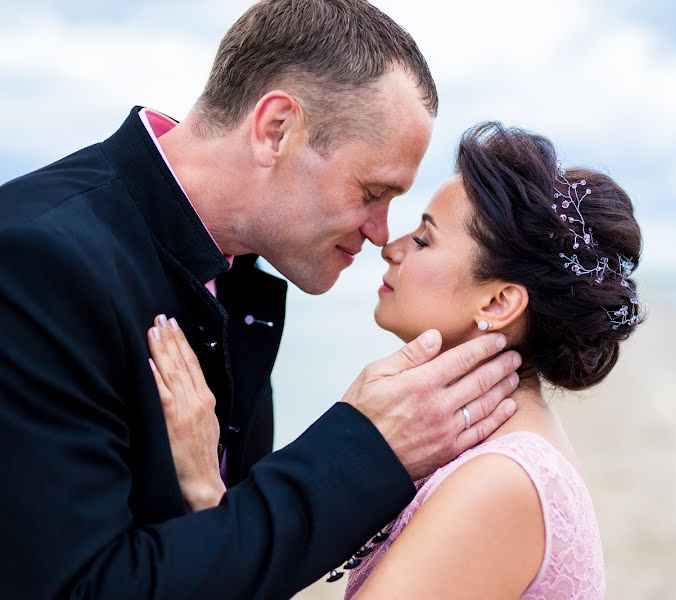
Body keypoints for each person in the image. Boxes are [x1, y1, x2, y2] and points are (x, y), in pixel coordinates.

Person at [0, 1, 521, 598]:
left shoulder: (240, 275)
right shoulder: (35, 260)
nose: (382, 232)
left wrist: (212, 499)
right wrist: (363, 448)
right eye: (372, 191)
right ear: (276, 129)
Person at [150, 122, 644, 597]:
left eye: (425, 239)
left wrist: (205, 492)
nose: (390, 246)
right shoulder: (478, 445)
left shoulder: (501, 481)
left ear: (498, 304)